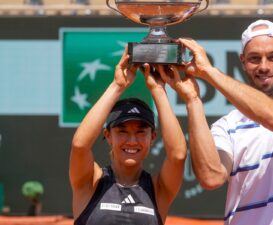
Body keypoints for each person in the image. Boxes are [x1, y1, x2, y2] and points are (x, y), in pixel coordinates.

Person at [158, 19, 273, 225]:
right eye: (254, 59)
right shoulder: (227, 125)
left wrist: (209, 72)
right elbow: (211, 178)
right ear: (243, 62)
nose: (264, 66)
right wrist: (193, 100)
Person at [69, 48, 186, 225]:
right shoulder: (91, 181)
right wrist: (117, 86)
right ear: (108, 135)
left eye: (141, 131)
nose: (132, 140)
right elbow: (80, 146)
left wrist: (158, 90)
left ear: (152, 136)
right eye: (122, 131)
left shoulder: (158, 189)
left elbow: (177, 155)